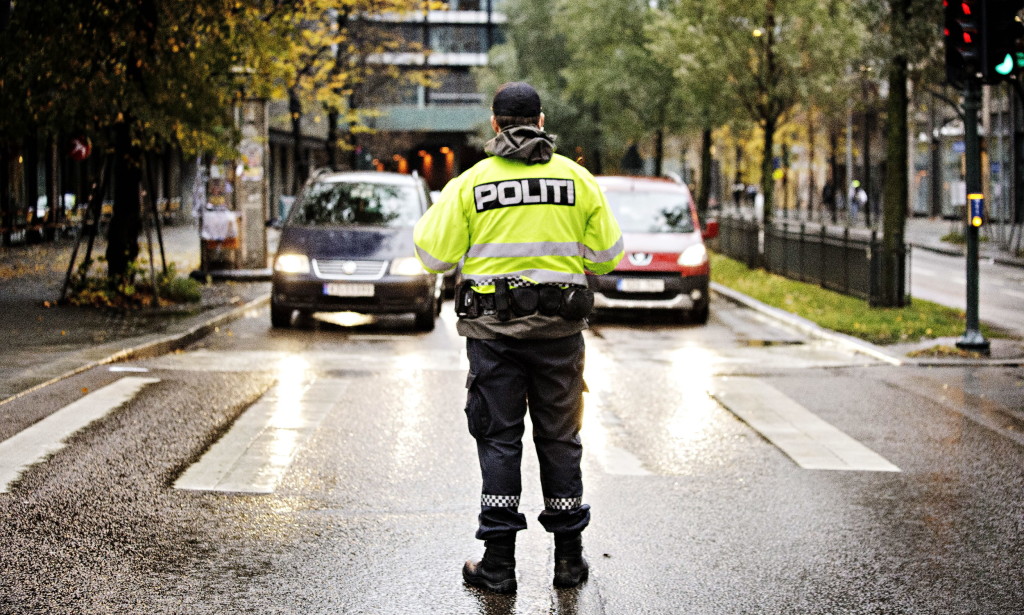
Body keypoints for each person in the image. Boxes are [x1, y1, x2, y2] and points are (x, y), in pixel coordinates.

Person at [413, 82, 624, 594]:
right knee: (560, 441)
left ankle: (499, 567)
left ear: (494, 123)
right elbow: (608, 256)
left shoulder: (471, 184)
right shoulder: (578, 180)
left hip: (494, 337)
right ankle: (569, 563)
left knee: (500, 442)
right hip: (559, 336)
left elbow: (432, 255)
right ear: (542, 121)